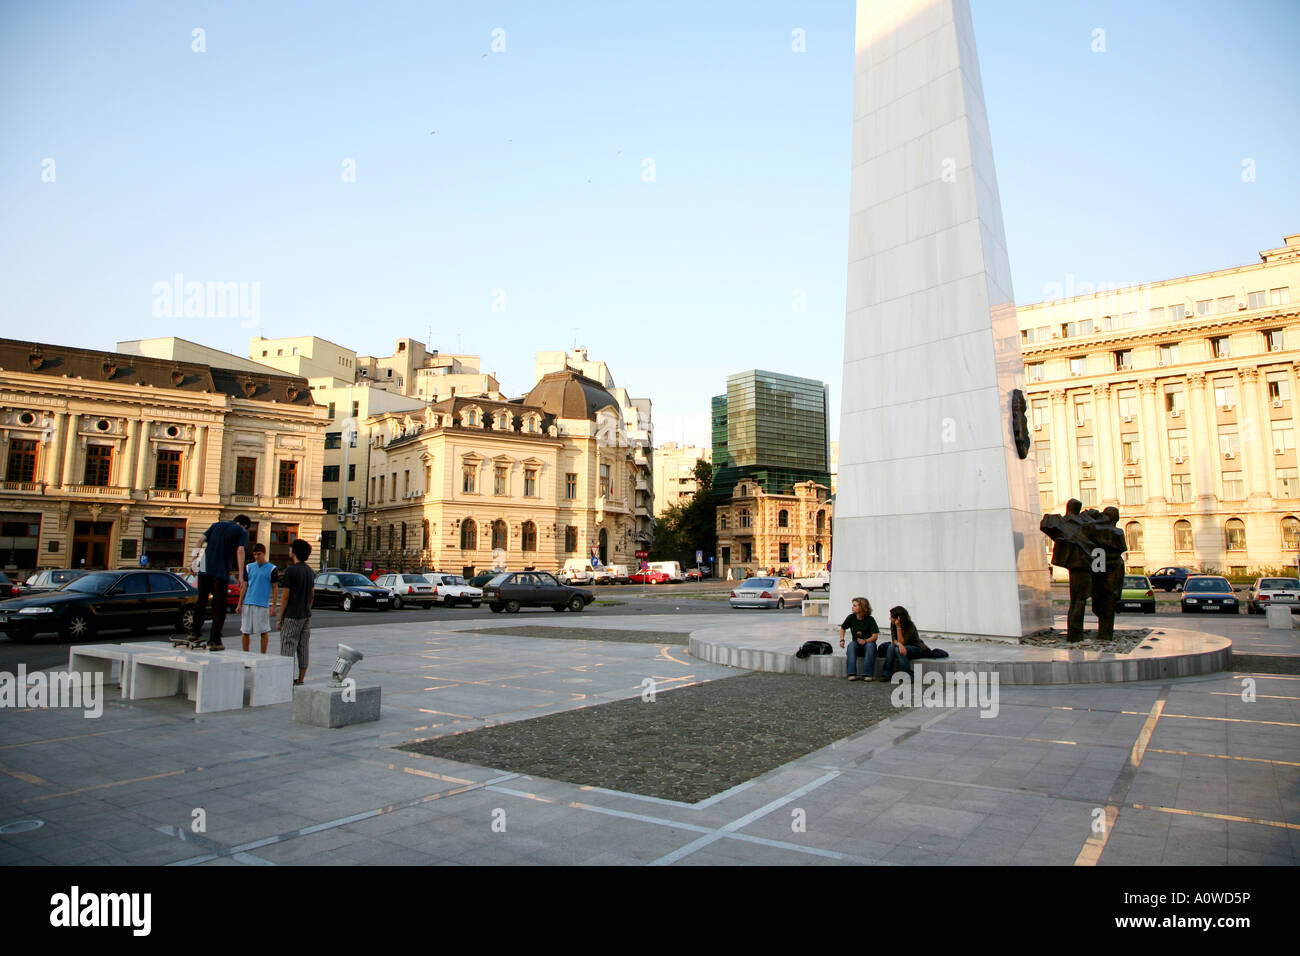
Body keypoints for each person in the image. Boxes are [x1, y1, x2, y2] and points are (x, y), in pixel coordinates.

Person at [191, 514, 250, 651]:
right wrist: (241, 575)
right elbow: (240, 550)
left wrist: (194, 563)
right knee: (219, 606)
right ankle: (215, 640)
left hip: (204, 568)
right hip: (220, 572)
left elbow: (199, 541)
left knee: (201, 601)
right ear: (244, 525)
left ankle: (194, 632)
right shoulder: (242, 531)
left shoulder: (215, 525)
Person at [1040, 498, 1092, 643]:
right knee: (1079, 601)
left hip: (1082, 565)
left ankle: (1075, 634)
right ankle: (1075, 634)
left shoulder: (1082, 524)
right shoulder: (1081, 524)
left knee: (1079, 600)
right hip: (1080, 565)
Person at [276, 538, 315, 685]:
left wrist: (280, 618)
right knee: (303, 646)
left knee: (288, 645)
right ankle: (301, 679)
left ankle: (286, 679)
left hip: (292, 615)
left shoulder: (291, 570)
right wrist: (307, 607)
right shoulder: (310, 571)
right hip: (305, 614)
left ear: (295, 552)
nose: (289, 550)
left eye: (291, 548)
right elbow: (312, 595)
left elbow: (285, 596)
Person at [238, 543, 280, 654]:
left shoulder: (272, 569)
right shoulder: (249, 567)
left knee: (263, 631)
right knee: (245, 631)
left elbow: (275, 588)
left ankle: (263, 654)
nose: (256, 557)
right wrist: (239, 603)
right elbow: (245, 586)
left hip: (262, 604)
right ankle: (245, 654)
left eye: (259, 554)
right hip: (248, 602)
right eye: (255, 554)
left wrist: (274, 606)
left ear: (264, 553)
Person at [882, 606, 929, 680]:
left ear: (899, 618)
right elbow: (894, 639)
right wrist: (899, 645)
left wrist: (898, 626)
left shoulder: (910, 625)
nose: (890, 618)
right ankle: (886, 673)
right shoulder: (892, 624)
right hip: (901, 647)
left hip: (916, 649)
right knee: (891, 647)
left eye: (891, 617)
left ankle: (908, 675)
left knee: (897, 649)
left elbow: (903, 641)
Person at [838, 597, 880, 681]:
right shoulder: (851, 617)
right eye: (852, 605)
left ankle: (867, 674)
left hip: (868, 644)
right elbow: (843, 628)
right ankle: (851, 673)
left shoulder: (870, 619)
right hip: (856, 644)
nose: (852, 607)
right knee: (851, 645)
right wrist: (842, 640)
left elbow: (875, 636)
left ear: (862, 607)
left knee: (870, 646)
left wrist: (865, 641)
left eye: (855, 605)